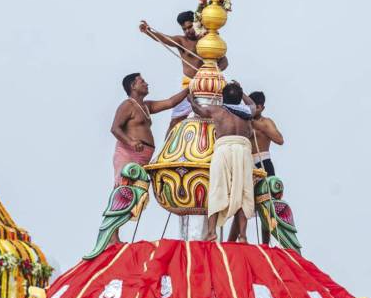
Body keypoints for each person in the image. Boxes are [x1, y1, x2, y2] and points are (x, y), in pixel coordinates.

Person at [188, 81, 256, 242]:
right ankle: (243, 235)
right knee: (244, 191)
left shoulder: (217, 110)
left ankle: (211, 232)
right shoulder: (246, 111)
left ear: (222, 98)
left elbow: (198, 110)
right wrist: (242, 91)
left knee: (217, 189)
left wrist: (191, 100)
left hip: (224, 149)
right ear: (240, 98)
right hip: (244, 150)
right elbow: (252, 104)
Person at [139, 11, 229, 132]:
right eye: (184, 29)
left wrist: (211, 71)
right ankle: (167, 149)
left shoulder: (208, 40)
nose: (187, 31)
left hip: (209, 85)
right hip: (189, 86)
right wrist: (148, 31)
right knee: (176, 119)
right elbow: (165, 39)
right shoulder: (182, 41)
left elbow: (224, 62)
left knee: (217, 118)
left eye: (190, 27)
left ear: (197, 24)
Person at [110, 73, 188, 183]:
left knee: (140, 190)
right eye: (142, 82)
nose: (146, 84)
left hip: (144, 156)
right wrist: (131, 142)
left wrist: (190, 88)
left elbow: (170, 102)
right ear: (133, 86)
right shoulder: (127, 105)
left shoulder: (146, 106)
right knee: (126, 188)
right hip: (129, 155)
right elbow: (115, 128)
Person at [249, 91, 285, 244]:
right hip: (247, 164)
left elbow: (279, 139)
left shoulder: (266, 121)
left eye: (253, 106)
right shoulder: (243, 118)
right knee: (243, 204)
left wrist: (259, 126)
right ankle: (239, 240)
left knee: (266, 206)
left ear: (261, 107)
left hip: (264, 163)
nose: (250, 109)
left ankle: (265, 244)